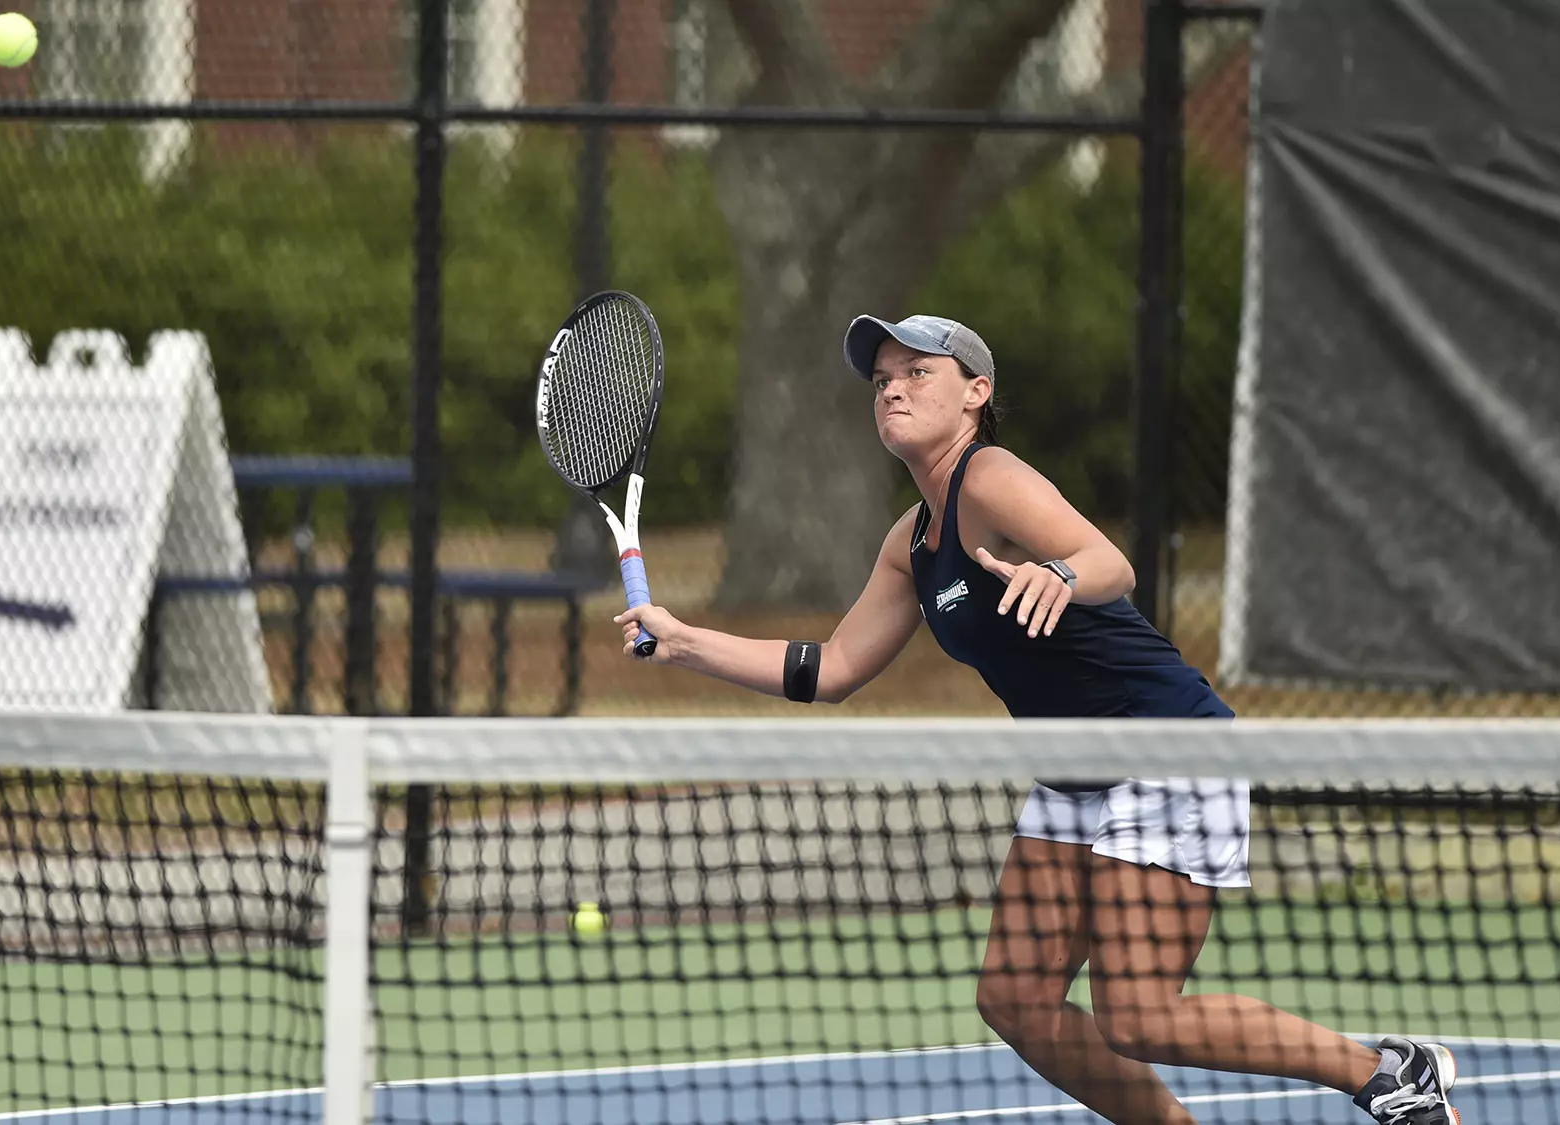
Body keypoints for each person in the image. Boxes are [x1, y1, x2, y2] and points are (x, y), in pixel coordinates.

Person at [612, 314, 1462, 1125]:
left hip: (1164, 743)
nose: (893, 389)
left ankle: (1384, 1074)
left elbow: (1109, 561)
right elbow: (830, 668)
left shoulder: (990, 476)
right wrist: (687, 643)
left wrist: (1060, 574)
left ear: (975, 392)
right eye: (882, 379)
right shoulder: (911, 542)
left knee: (1137, 1013)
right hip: (1074, 765)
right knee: (1016, 997)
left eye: (918, 372)